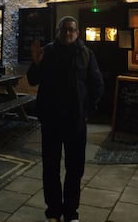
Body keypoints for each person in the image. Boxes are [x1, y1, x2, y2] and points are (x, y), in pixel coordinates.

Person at [27, 16, 104, 222]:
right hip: (51, 121)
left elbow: (97, 84)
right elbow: (33, 80)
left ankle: (71, 213)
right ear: (58, 31)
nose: (68, 33)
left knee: (75, 169)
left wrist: (88, 110)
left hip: (76, 122)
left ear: (77, 32)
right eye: (64, 30)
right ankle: (53, 211)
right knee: (50, 168)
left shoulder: (86, 54)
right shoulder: (47, 52)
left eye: (71, 30)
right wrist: (35, 64)